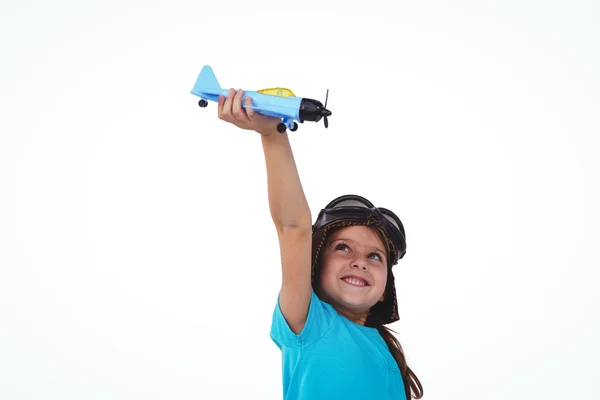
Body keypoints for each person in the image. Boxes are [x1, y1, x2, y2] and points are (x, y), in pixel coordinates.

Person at [217, 88, 423, 399]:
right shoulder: (311, 323)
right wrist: (273, 134)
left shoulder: (387, 354)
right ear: (314, 266)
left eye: (375, 256)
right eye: (343, 248)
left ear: (384, 292)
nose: (360, 261)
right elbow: (293, 226)